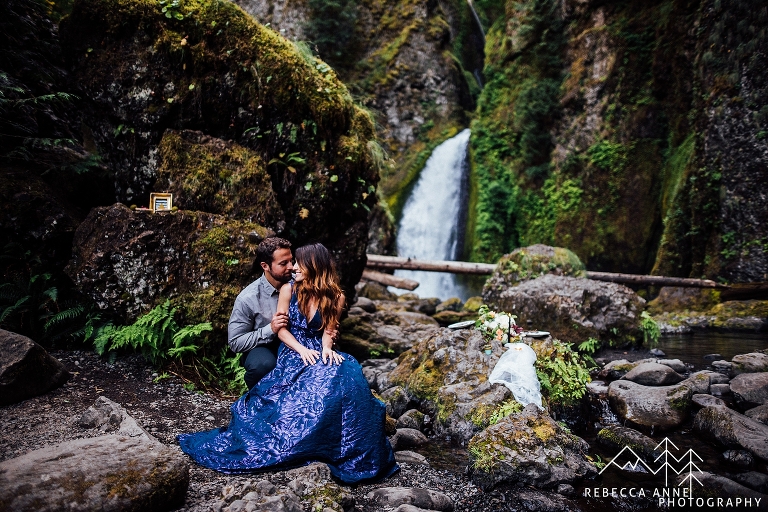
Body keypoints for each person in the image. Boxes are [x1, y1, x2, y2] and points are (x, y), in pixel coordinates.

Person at [178, 243, 398, 483]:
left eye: (295, 262)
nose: (292, 267)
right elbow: (268, 333)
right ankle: (301, 434)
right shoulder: (282, 291)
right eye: (285, 263)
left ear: (314, 266)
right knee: (305, 379)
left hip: (317, 348)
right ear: (266, 266)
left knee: (345, 370)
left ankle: (346, 443)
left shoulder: (336, 296)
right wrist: (302, 349)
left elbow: (329, 329)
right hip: (293, 349)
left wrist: (326, 348)